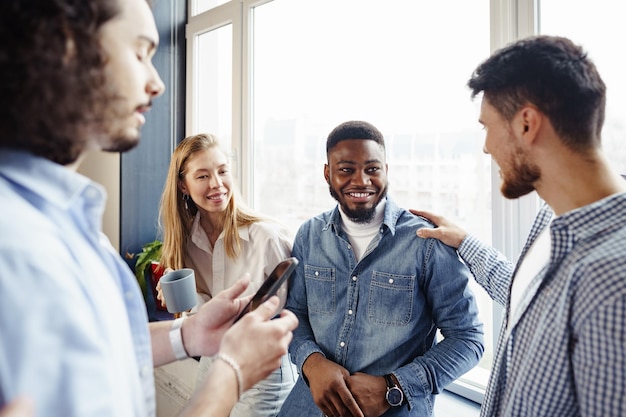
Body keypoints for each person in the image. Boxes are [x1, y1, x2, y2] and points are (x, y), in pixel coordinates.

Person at [0, 1, 297, 416]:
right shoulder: (18, 248)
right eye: (140, 53)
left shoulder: (69, 225)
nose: (157, 83)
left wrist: (188, 333)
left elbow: (100, 348)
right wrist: (230, 370)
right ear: (67, 52)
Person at [413, 35, 626, 417]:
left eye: (487, 128)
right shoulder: (552, 217)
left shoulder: (613, 280)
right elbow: (530, 297)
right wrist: (465, 242)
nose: (486, 147)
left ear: (527, 124)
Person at [278, 120, 484, 417]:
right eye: (346, 169)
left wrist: (393, 387)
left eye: (372, 169)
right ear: (327, 173)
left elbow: (468, 338)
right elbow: (293, 314)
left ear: (386, 170)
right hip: (307, 407)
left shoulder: (426, 242)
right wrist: (312, 362)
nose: (361, 181)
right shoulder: (309, 235)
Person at [156, 132, 297, 417]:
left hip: (263, 367)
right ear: (183, 185)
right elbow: (197, 316)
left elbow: (295, 313)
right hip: (214, 356)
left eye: (222, 172)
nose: (217, 184)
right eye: (203, 176)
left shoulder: (266, 238)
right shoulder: (184, 242)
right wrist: (175, 296)